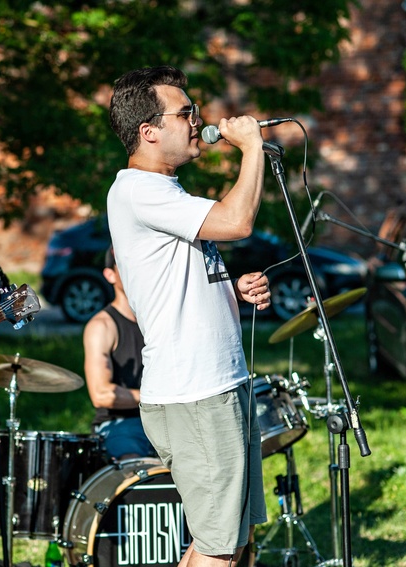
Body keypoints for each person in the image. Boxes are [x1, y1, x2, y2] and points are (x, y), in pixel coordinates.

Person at [106, 66, 272, 567]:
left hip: (217, 385)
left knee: (231, 542)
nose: (197, 121)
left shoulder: (166, 192)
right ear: (148, 131)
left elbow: (176, 280)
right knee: (219, 549)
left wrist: (231, 292)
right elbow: (237, 221)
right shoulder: (139, 188)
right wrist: (253, 147)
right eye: (185, 113)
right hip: (195, 392)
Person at [83, 245, 155, 461]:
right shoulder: (102, 326)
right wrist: (156, 398)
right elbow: (101, 394)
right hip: (120, 424)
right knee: (134, 467)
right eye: (126, 266)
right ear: (110, 274)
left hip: (166, 420)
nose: (135, 271)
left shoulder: (158, 321)